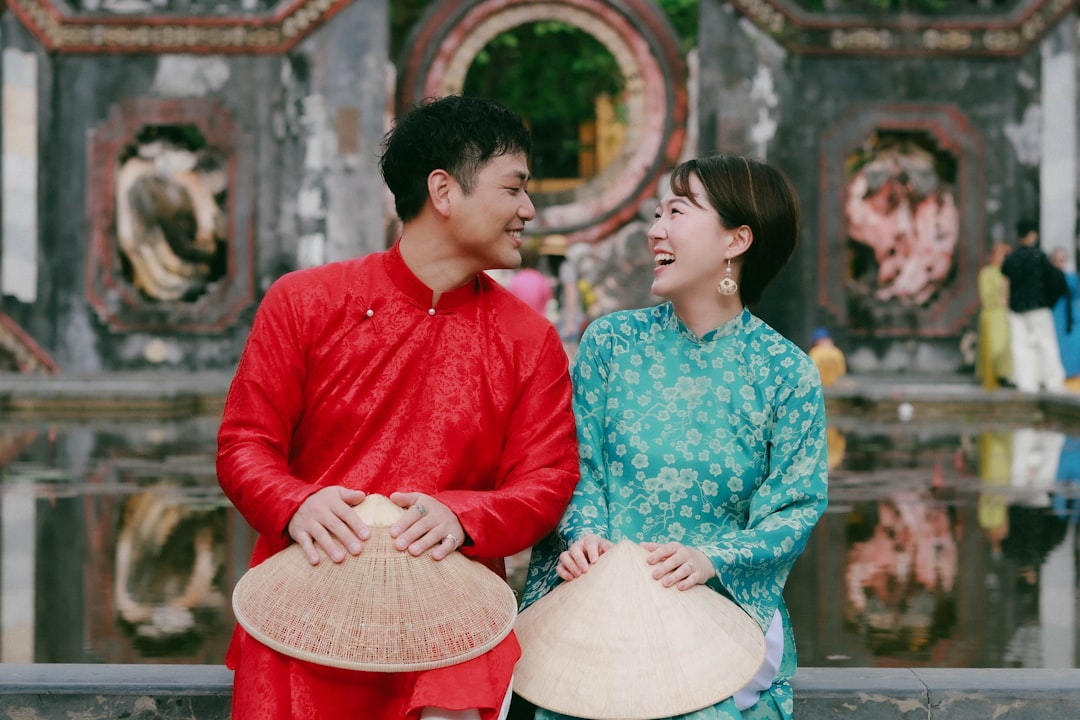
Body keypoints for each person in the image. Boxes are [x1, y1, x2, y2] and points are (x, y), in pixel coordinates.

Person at [216, 94, 581, 720]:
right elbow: (245, 444)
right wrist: (295, 502)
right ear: (443, 191)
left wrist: (463, 518)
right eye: (514, 188)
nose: (528, 210)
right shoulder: (305, 303)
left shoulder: (528, 339)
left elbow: (548, 480)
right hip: (306, 598)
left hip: (452, 616)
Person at [521, 153, 830, 719]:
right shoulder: (611, 343)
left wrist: (712, 558)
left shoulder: (784, 373)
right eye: (658, 212)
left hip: (714, 615)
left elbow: (795, 507)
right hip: (600, 613)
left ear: (737, 240)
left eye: (677, 212)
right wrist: (584, 536)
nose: (655, 230)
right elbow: (575, 464)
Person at [999, 220, 1066, 392]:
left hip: (1017, 309)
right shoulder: (1039, 256)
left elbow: (1005, 282)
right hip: (1039, 307)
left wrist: (1008, 306)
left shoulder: (1011, 259)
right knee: (1046, 344)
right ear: (1032, 235)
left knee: (1021, 346)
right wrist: (1049, 301)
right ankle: (1053, 382)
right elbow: (1056, 279)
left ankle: (1026, 383)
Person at [976, 242, 1013, 389]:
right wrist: (1000, 296)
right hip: (992, 314)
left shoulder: (1006, 273)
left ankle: (1004, 374)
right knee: (994, 346)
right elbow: (986, 296)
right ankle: (993, 376)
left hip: (1005, 314)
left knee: (1005, 346)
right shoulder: (987, 272)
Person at [1049, 247, 1080, 387]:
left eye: (1062, 260)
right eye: (1057, 260)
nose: (1060, 263)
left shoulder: (1071, 278)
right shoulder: (1048, 278)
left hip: (1072, 318)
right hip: (1057, 317)